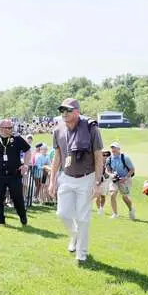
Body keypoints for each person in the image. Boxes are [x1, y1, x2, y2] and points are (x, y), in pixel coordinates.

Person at [48, 98, 103, 264]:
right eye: (62, 110)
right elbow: (57, 157)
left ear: (77, 112)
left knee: (83, 217)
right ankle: (74, 235)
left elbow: (98, 156)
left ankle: (82, 252)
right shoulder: (58, 131)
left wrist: (97, 183)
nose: (64, 113)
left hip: (86, 178)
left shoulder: (91, 128)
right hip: (66, 177)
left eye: (68, 110)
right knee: (62, 213)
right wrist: (52, 181)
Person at [0, 119, 30, 226]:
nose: (11, 129)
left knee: (17, 197)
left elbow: (28, 150)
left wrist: (26, 164)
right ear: (1, 129)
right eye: (8, 128)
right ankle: (0, 220)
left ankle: (23, 217)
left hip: (14, 175)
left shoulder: (17, 139)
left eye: (11, 127)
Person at [105, 142, 136, 220]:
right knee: (112, 194)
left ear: (119, 149)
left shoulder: (125, 158)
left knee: (125, 197)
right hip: (114, 180)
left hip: (125, 179)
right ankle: (115, 214)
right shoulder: (109, 159)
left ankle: (131, 209)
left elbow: (132, 169)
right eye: (112, 148)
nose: (113, 149)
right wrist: (111, 175)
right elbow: (107, 170)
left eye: (114, 148)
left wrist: (125, 178)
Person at [96, 150, 111, 215]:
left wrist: (103, 178)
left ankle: (101, 208)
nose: (105, 157)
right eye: (103, 155)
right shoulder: (98, 163)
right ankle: (99, 209)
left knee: (103, 196)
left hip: (106, 181)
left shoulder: (110, 164)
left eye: (107, 155)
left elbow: (108, 174)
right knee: (97, 196)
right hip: (97, 181)